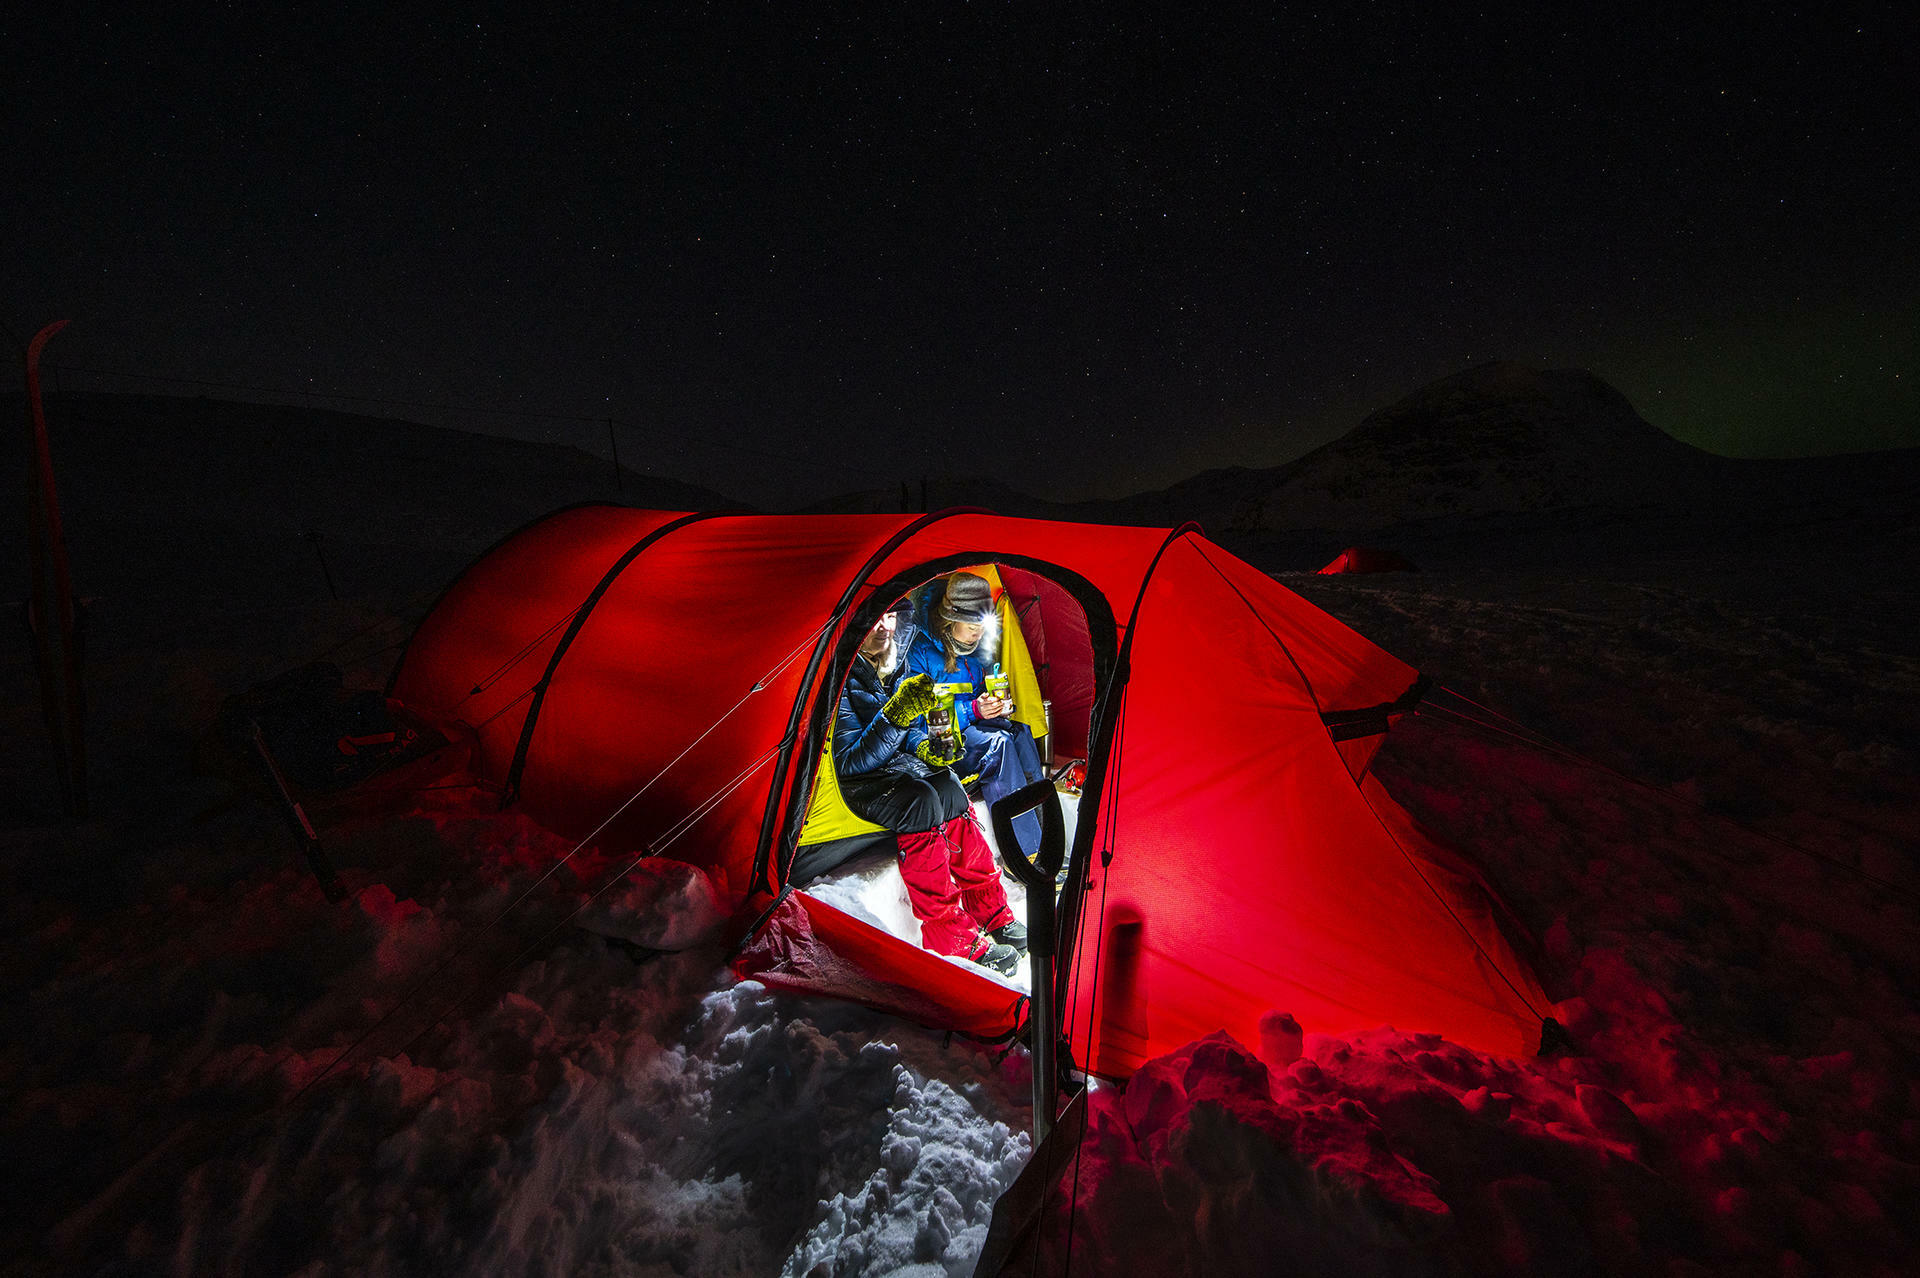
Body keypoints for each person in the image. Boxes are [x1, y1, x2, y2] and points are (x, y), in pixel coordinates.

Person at [834, 605, 1027, 974]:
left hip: (894, 769)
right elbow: (851, 762)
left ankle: (989, 910)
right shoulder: (841, 679)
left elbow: (911, 732)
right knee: (920, 800)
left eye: (890, 617)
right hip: (858, 786)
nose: (884, 626)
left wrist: (927, 747)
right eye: (875, 618)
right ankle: (949, 934)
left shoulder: (894, 667)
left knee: (950, 786)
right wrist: (895, 717)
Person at [902, 572, 1050, 863]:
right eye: (972, 627)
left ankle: (1046, 834)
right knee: (998, 746)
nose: (979, 634)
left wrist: (995, 704)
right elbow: (918, 723)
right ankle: (1022, 853)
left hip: (969, 728)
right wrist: (973, 711)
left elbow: (977, 696)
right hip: (936, 743)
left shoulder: (974, 651)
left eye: (982, 627)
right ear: (949, 619)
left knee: (1018, 731)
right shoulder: (919, 653)